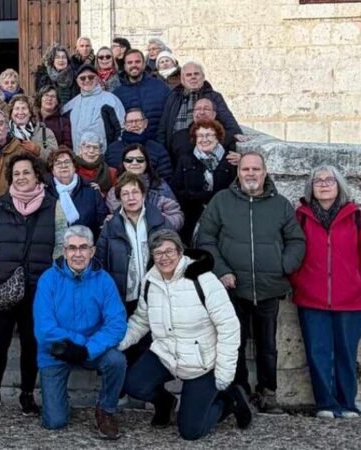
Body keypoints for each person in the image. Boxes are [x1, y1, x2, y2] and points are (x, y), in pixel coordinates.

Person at [196, 151, 306, 414]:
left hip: (269, 288)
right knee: (235, 342)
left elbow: (296, 240)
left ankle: (268, 392)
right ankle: (241, 390)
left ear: (264, 172)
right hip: (233, 287)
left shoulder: (279, 204)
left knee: (268, 345)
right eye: (246, 169)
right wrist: (221, 271)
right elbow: (206, 239)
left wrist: (283, 266)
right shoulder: (222, 201)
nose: (251, 174)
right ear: (239, 172)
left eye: (256, 169)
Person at [120, 230, 251, 440]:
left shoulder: (203, 280)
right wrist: (118, 343)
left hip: (202, 363)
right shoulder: (150, 281)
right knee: (133, 384)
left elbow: (229, 327)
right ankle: (166, 403)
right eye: (157, 253)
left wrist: (224, 373)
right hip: (167, 355)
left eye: (169, 251)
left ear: (181, 252)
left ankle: (228, 401)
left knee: (191, 431)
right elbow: (141, 320)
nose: (164, 257)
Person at [0, 153, 68, 415]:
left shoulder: (53, 205)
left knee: (31, 343)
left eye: (26, 172)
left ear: (37, 174)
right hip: (5, 285)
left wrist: (51, 274)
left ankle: (27, 394)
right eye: (16, 173)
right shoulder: (0, 205)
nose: (21, 177)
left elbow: (62, 242)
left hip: (39, 287)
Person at [34, 225, 127, 438]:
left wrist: (87, 349)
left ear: (92, 251)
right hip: (56, 350)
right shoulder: (49, 279)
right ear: (64, 251)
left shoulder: (104, 280)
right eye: (72, 248)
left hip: (91, 348)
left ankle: (107, 410)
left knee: (116, 361)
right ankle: (58, 401)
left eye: (83, 248)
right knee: (54, 422)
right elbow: (44, 329)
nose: (78, 254)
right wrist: (76, 343)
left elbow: (117, 323)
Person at [290, 166, 361, 419]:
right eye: (317, 181)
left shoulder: (355, 216)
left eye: (329, 180)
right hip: (312, 296)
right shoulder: (301, 216)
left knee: (346, 352)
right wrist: (298, 281)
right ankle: (326, 403)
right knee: (318, 352)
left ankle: (347, 403)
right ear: (311, 187)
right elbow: (292, 252)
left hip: (350, 299)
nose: (323, 184)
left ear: (339, 185)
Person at [97, 173, 172, 310]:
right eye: (125, 194)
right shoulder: (110, 227)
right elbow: (100, 263)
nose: (131, 197)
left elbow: (175, 255)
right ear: (119, 198)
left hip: (157, 294)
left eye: (135, 192)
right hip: (123, 298)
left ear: (143, 195)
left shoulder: (160, 222)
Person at [171, 119, 237, 244]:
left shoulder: (230, 160)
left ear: (218, 137)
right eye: (200, 136)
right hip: (193, 217)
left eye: (209, 135)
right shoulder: (185, 159)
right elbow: (177, 188)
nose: (204, 139)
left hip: (223, 216)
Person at [157, 62, 246, 151]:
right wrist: (161, 150)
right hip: (175, 148)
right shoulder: (173, 97)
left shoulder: (214, 96)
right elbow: (163, 126)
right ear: (182, 80)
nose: (193, 77)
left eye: (196, 74)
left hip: (204, 146)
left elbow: (226, 117)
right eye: (188, 75)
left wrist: (236, 132)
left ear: (203, 77)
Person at [106, 144, 183, 231]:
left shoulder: (161, 186)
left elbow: (177, 217)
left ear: (146, 162)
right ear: (123, 163)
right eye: (129, 160)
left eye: (140, 160)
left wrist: (157, 222)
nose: (134, 163)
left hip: (158, 238)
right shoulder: (114, 190)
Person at [45, 147, 108, 238]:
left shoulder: (91, 190)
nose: (63, 166)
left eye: (67, 162)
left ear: (74, 167)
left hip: (85, 247)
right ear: (52, 171)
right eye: (58, 163)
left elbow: (102, 224)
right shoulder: (46, 193)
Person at [62, 64, 125, 152]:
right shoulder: (70, 106)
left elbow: (122, 128)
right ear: (77, 81)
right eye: (83, 78)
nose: (87, 80)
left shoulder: (111, 100)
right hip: (78, 159)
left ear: (97, 79)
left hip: (105, 159)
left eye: (91, 77)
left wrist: (114, 153)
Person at [113, 49, 170, 141]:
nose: (134, 65)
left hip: (157, 144)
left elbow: (169, 116)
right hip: (129, 147)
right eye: (130, 62)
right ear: (124, 66)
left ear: (144, 64)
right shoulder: (117, 94)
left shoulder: (160, 87)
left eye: (137, 62)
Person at [105, 108, 173, 181]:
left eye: (138, 121)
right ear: (124, 125)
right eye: (130, 122)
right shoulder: (112, 149)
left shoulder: (158, 149)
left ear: (145, 123)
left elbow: (165, 177)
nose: (134, 125)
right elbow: (106, 175)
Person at [169, 97, 238, 163]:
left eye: (207, 109)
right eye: (198, 109)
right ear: (193, 114)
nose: (202, 112)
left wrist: (240, 160)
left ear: (214, 114)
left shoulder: (227, 137)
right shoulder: (178, 137)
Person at [8, 93, 58, 160]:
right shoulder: (5, 134)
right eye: (17, 108)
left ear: (30, 113)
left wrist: (38, 151)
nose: (20, 112)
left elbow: (56, 159)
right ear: (11, 113)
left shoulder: (45, 132)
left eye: (24, 108)